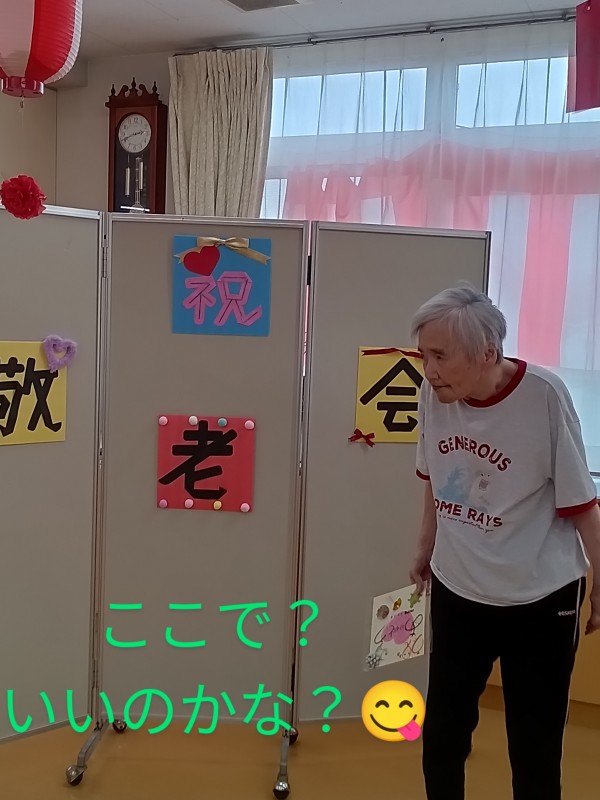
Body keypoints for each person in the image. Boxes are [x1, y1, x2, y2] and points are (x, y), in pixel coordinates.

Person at [408, 285, 600, 800]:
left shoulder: (544, 396)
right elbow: (434, 475)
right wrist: (425, 545)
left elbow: (582, 502)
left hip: (540, 597)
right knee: (443, 735)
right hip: (459, 588)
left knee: (535, 749)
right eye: (425, 355)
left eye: (441, 356)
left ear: (487, 353)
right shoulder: (433, 393)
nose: (430, 370)